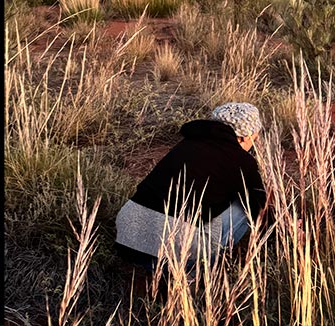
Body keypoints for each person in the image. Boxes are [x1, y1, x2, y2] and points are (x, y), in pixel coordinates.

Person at [114, 102, 268, 270]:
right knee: (244, 205)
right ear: (246, 136)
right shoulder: (243, 162)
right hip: (173, 253)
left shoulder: (186, 145)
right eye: (256, 135)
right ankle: (202, 268)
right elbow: (260, 208)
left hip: (127, 238)